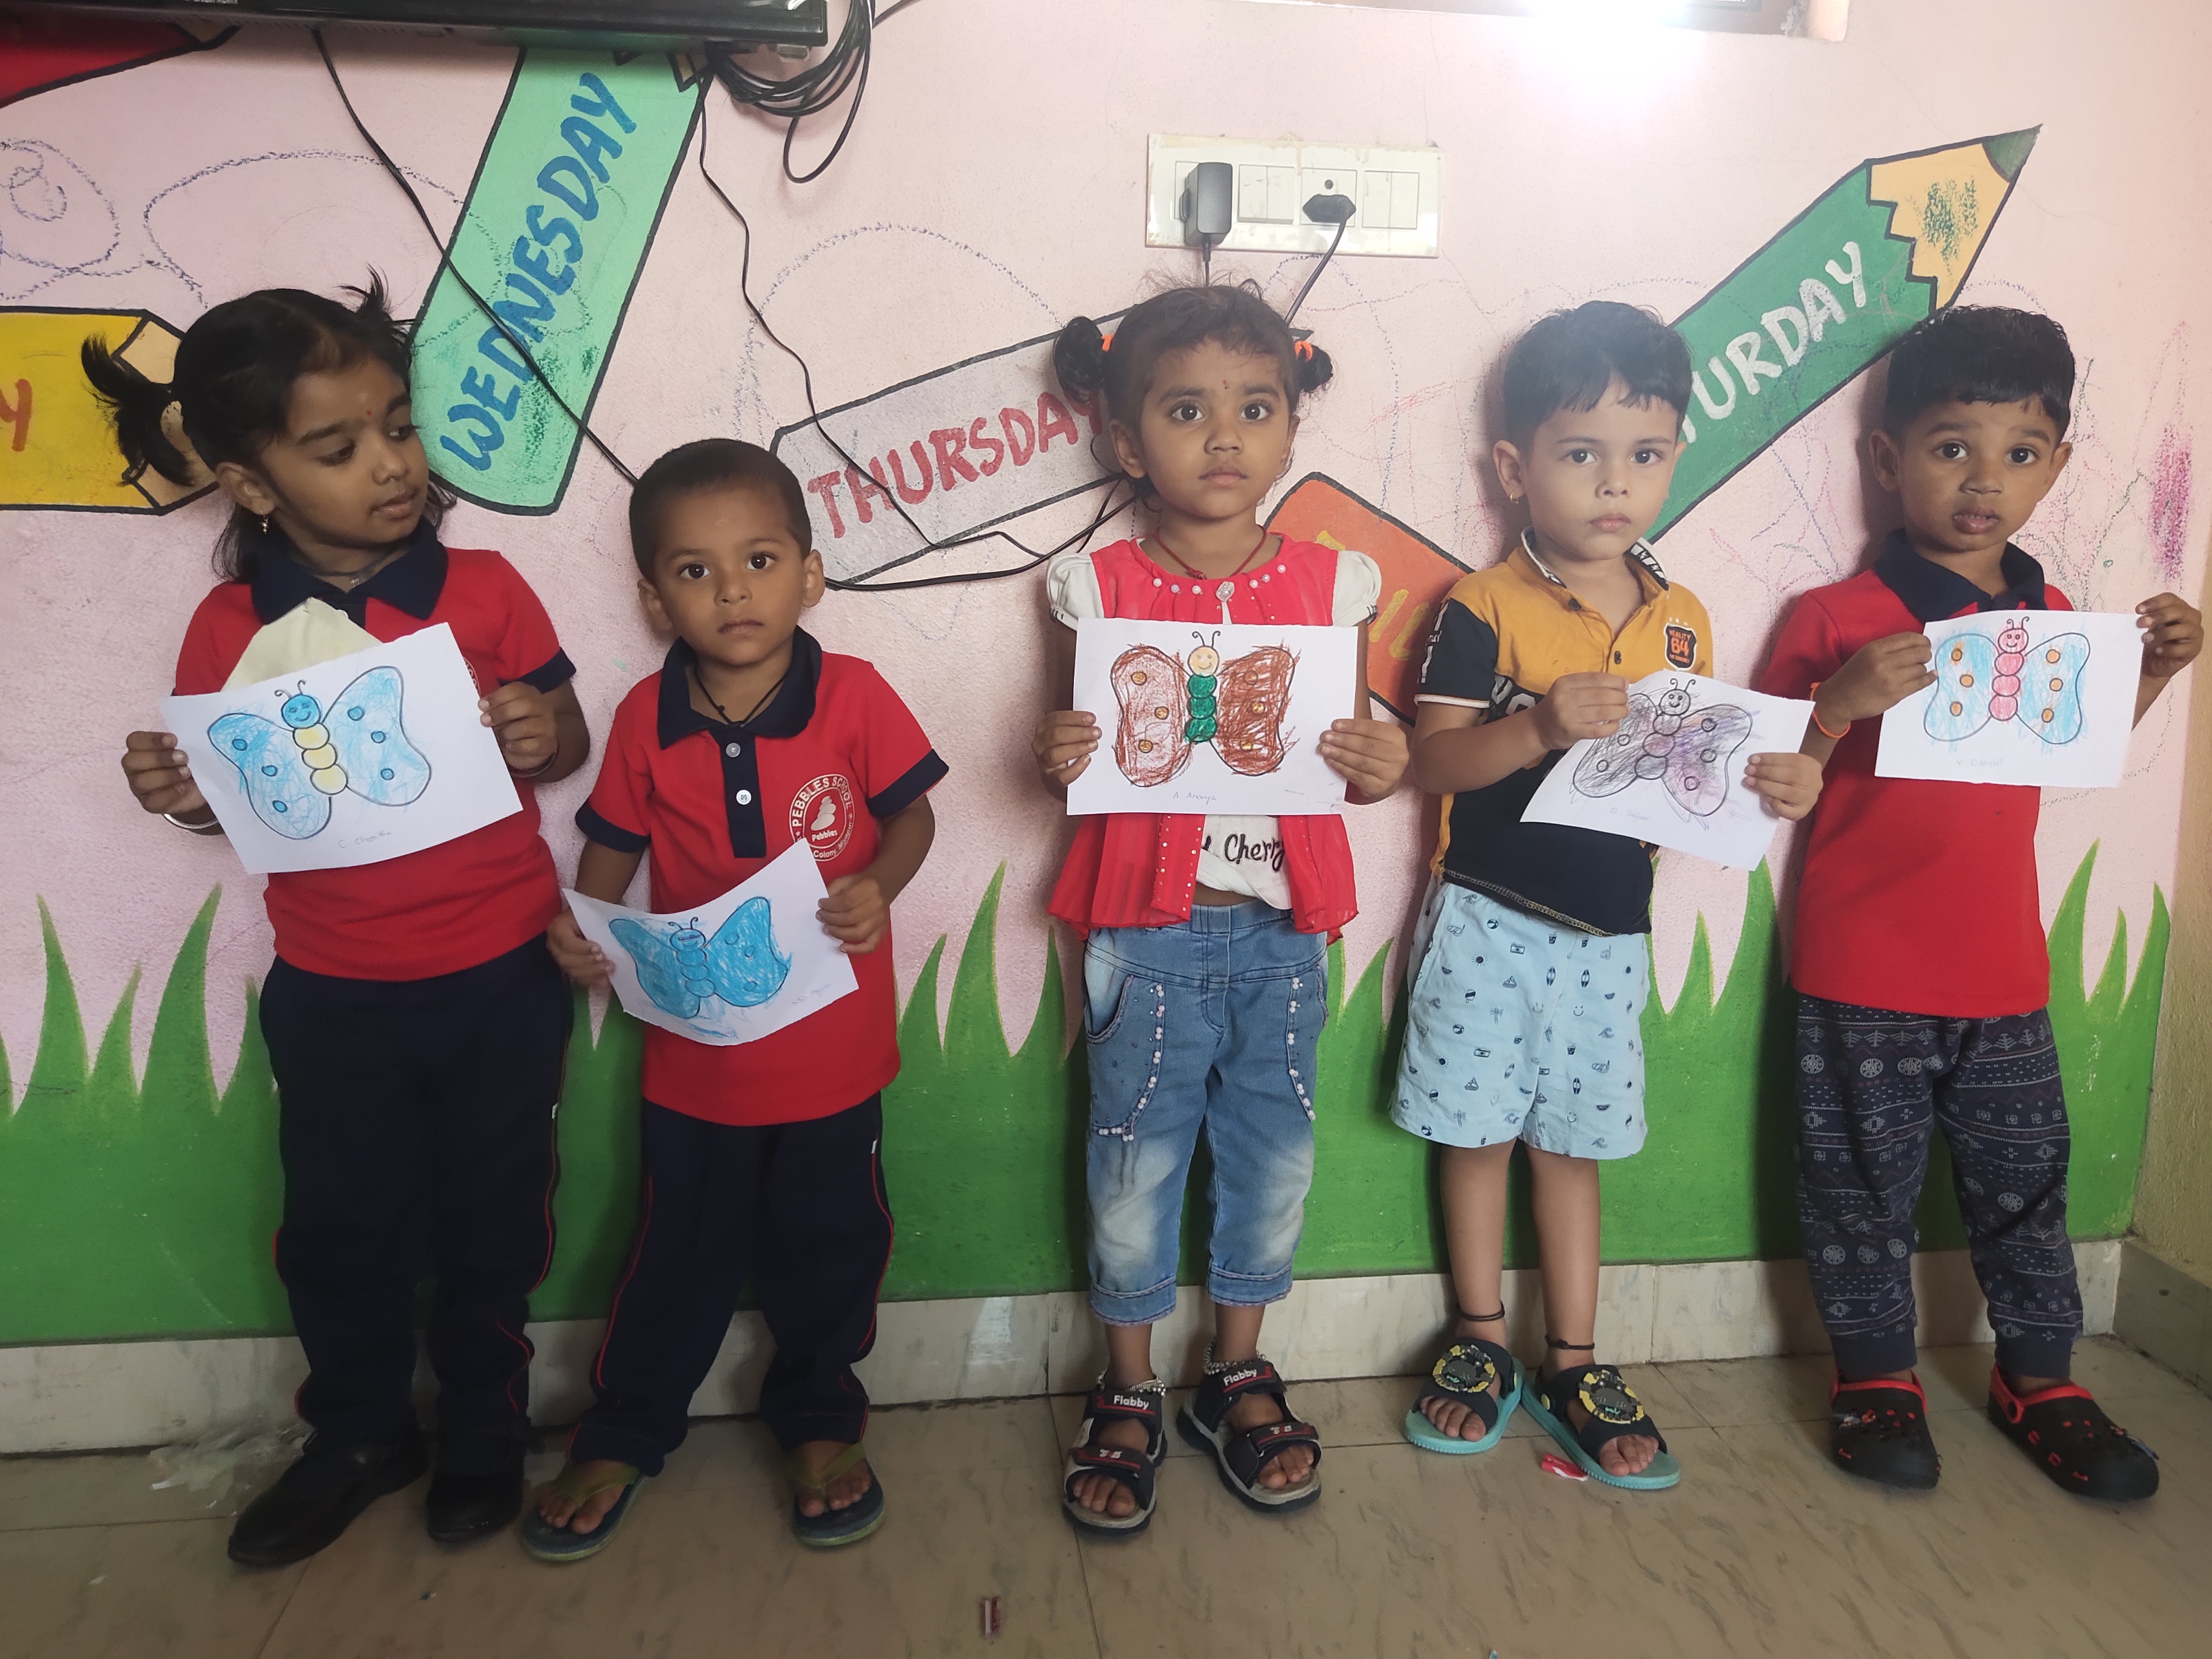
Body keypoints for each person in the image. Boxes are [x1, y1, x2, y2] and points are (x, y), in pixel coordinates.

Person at [103, 281, 590, 1564]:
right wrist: (185, 795)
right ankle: (361, 1434)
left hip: (499, 974)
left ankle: (483, 1428)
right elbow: (238, 804)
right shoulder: (229, 627)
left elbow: (565, 735)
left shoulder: (485, 591)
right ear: (247, 485)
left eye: (397, 427)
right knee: (340, 1225)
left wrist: (542, 731)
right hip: (333, 989)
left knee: (495, 1214)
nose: (390, 464)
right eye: (337, 448)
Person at [1761, 306, 2199, 1499]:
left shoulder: (2051, 623)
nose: (1983, 481)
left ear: (2056, 466)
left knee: (2024, 1184)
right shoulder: (1833, 618)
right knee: (1858, 1189)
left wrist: (2155, 669)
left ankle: (2041, 1379)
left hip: (2003, 970)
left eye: (2019, 453)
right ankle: (1872, 1379)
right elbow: (1761, 781)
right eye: (1951, 447)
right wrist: (1836, 705)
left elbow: (2073, 751)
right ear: (1885, 456)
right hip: (1860, 969)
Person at [1394, 301, 1824, 1488]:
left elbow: (1696, 778)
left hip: (1610, 936)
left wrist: (1776, 782)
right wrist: (1535, 727)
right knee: (1477, 1136)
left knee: (1571, 1148)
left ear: (1675, 455)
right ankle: (1480, 1341)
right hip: (1487, 916)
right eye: (1580, 452)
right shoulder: (1481, 606)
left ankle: (1572, 1362)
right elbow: (1432, 764)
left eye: (1644, 453)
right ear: (1513, 468)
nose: (1614, 483)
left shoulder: (1680, 621)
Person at [1032, 281, 1409, 1533]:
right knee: (1131, 1159)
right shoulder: (1096, 589)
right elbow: (1077, 757)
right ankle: (1127, 1384)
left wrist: (1380, 762)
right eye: (1186, 411)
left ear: (1291, 428)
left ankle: (1237, 1370)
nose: (1224, 436)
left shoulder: (1332, 587)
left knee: (1272, 1154)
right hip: (1144, 934)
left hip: (1283, 933)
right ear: (1125, 439)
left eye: (1255, 407)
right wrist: (1059, 747)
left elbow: (1347, 754)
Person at [524, 440, 943, 1560]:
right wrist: (584, 925)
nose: (732, 590)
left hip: (834, 1052)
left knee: (829, 1243)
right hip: (697, 1058)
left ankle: (819, 1415)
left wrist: (878, 884)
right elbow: (613, 844)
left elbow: (912, 816)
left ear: (810, 575)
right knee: (678, 1248)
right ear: (653, 598)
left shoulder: (854, 696)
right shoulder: (642, 717)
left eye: (759, 560)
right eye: (694, 571)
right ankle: (626, 1424)